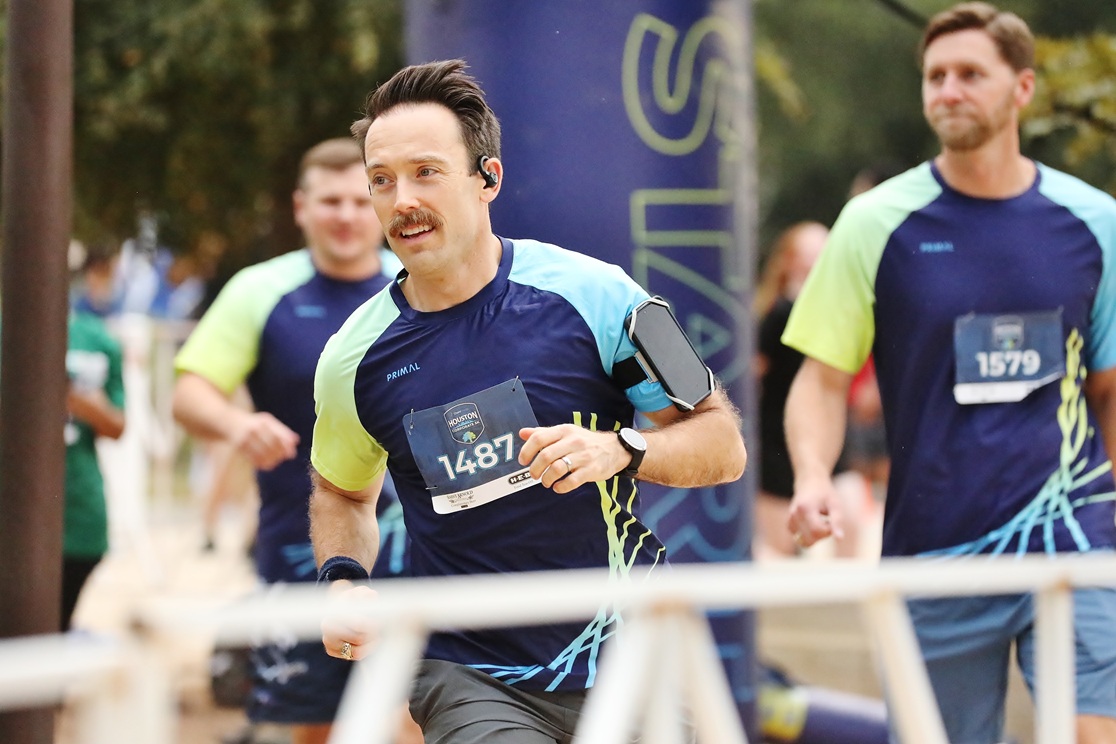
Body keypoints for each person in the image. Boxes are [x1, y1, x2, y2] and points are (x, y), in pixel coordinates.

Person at [310, 59, 747, 744]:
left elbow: (723, 444)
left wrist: (622, 449)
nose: (402, 201)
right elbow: (341, 494)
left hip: (628, 651)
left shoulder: (604, 297)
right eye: (382, 180)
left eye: (427, 172)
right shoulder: (351, 358)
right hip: (470, 675)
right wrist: (340, 583)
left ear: (488, 179)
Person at [782, 3, 1116, 742]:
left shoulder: (1097, 222)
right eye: (936, 76)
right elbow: (823, 377)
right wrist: (812, 476)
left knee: (1097, 730)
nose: (949, 90)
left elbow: (1108, 391)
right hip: (936, 546)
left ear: (1023, 88)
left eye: (971, 73)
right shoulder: (875, 222)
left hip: (1074, 532)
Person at [172, 138, 415, 744]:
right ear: (301, 207)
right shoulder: (261, 289)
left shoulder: (419, 284)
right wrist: (237, 425)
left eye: (362, 201)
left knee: (415, 711)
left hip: (419, 539)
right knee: (316, 720)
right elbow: (189, 395)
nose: (346, 216)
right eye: (329, 201)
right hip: (302, 540)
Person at [753, 221, 871, 560]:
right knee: (782, 545)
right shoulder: (776, 313)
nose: (817, 257)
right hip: (778, 435)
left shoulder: (839, 306)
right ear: (790, 259)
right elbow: (754, 371)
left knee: (850, 519)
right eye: (809, 252)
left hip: (831, 430)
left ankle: (843, 601)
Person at [62, 310, 127, 630]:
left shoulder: (98, 339)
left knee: (56, 623)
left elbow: (117, 425)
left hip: (79, 507)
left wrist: (76, 397)